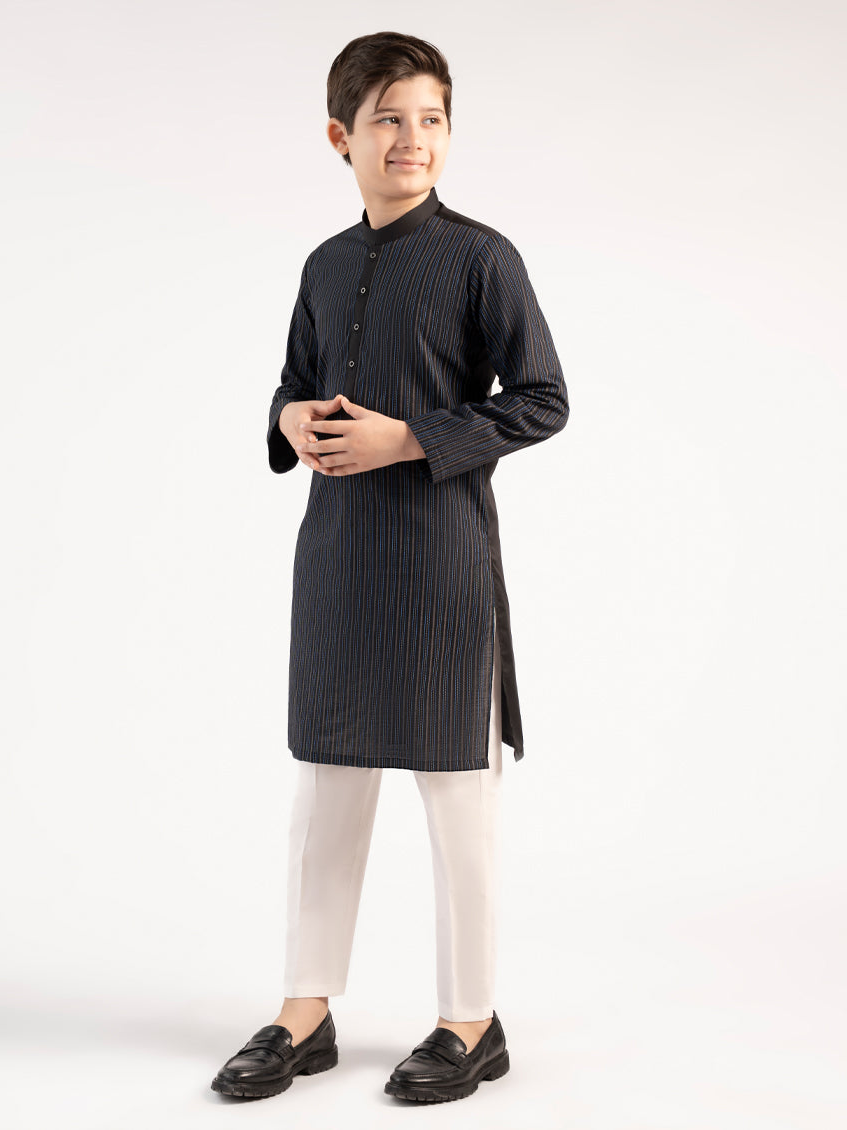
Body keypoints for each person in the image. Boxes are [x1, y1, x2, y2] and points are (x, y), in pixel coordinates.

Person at [211, 30, 569, 1105]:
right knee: (324, 795)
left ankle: (471, 1020)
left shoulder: (481, 257)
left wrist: (409, 437)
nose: (413, 138)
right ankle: (304, 1011)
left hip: (442, 565)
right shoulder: (324, 264)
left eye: (432, 119)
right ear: (341, 136)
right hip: (333, 561)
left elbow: (544, 399)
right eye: (389, 120)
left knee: (459, 805)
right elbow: (291, 381)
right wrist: (289, 417)